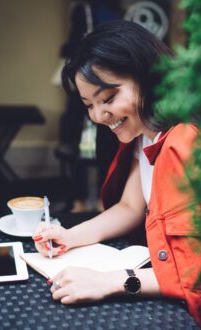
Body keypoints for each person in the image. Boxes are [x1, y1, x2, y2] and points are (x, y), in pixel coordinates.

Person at [34, 20, 201, 329]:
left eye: (107, 99)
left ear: (148, 77)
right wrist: (69, 236)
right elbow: (130, 207)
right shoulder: (146, 134)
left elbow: (200, 272)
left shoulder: (183, 142)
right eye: (89, 105)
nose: (98, 115)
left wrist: (112, 281)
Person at [55, 0, 121, 212]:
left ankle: (80, 201)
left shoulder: (83, 10)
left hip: (86, 83)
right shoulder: (116, 11)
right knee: (107, 140)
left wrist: (65, 49)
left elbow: (78, 47)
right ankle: (105, 200)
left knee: (79, 144)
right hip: (106, 84)